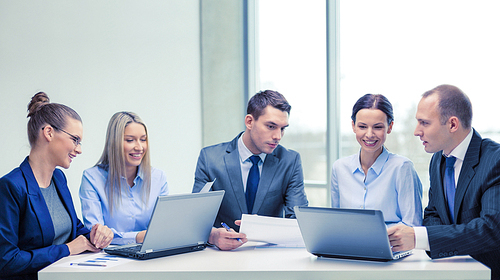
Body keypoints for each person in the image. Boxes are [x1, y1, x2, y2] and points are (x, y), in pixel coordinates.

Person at [387, 84, 500, 279]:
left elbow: (490, 229)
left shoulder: (494, 161)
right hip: (449, 271)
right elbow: (433, 212)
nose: (416, 131)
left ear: (453, 124)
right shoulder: (438, 160)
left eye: (424, 123)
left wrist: (418, 237)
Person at [0, 92, 113, 280]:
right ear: (49, 132)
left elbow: (73, 228)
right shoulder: (11, 186)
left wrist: (96, 235)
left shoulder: (58, 178)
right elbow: (6, 261)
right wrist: (66, 249)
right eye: (75, 139)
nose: (79, 149)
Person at [192, 90, 309, 250]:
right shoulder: (210, 158)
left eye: (282, 129)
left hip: (269, 256)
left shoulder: (290, 161)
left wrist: (263, 226)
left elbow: (299, 222)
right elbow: (196, 220)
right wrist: (213, 236)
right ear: (249, 121)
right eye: (271, 126)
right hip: (220, 256)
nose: (278, 136)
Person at [331, 94, 422, 227]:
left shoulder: (402, 167)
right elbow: (336, 221)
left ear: (390, 127)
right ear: (353, 126)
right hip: (348, 246)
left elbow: (412, 225)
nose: (369, 134)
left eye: (377, 127)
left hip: (391, 247)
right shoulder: (339, 168)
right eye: (362, 127)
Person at [79, 112, 169, 245]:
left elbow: (164, 229)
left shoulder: (158, 178)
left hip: (151, 253)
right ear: (114, 143)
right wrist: (138, 237)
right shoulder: (92, 178)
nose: (139, 147)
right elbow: (97, 237)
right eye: (130, 140)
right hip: (110, 258)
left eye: (143, 139)